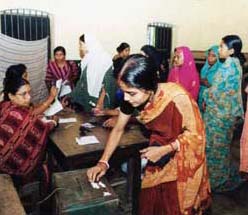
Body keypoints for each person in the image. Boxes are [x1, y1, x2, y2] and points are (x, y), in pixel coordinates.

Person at [87, 55, 211, 215]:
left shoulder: (177, 97)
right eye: (124, 92)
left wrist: (166, 149)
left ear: (149, 88)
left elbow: (197, 135)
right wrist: (103, 162)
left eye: (131, 93)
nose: (126, 98)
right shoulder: (131, 99)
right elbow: (118, 129)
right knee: (149, 202)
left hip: (181, 157)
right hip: (157, 154)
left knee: (175, 205)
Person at [203, 35, 244, 192]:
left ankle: (215, 182)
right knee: (221, 147)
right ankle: (221, 176)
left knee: (215, 148)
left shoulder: (228, 68)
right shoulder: (234, 64)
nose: (219, 49)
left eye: (222, 47)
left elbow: (215, 92)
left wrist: (206, 93)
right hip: (223, 113)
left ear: (231, 50)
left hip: (220, 115)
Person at [0, 75, 57, 184]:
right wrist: (54, 121)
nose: (29, 97)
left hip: (2, 166)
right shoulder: (21, 114)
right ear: (11, 96)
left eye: (29, 93)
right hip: (13, 173)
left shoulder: (4, 106)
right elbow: (44, 129)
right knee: (47, 160)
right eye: (23, 94)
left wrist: (32, 118)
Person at [71, 34, 116, 112]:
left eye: (81, 44)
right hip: (88, 99)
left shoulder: (105, 59)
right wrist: (70, 96)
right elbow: (82, 81)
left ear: (88, 44)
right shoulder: (87, 60)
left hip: (100, 101)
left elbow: (108, 82)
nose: (80, 48)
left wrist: (100, 102)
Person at [198, 45, 220, 113]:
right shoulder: (205, 68)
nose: (210, 58)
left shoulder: (220, 70)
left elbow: (221, 89)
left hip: (212, 101)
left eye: (213, 56)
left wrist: (208, 84)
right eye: (209, 55)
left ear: (218, 57)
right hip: (201, 97)